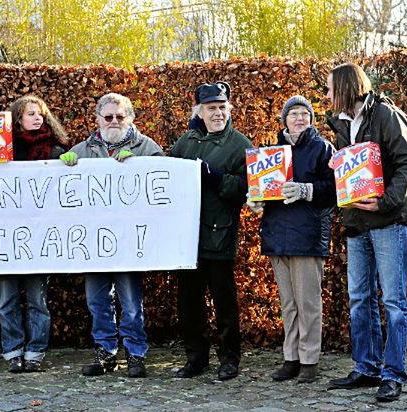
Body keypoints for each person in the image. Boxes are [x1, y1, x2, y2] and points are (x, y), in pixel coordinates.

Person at [325, 63, 407, 402]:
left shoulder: (387, 116)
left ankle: (392, 374)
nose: (326, 95)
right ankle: (366, 367)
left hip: (387, 222)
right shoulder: (341, 124)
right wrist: (338, 165)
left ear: (347, 88)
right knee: (359, 299)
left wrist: (383, 202)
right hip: (356, 224)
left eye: (330, 88)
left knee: (393, 301)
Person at [59, 92, 163, 378]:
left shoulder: (147, 147)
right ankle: (105, 353)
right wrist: (63, 166)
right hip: (93, 242)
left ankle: (136, 353)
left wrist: (142, 166)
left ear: (129, 118)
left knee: (131, 302)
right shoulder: (82, 150)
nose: (114, 121)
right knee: (97, 301)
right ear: (98, 120)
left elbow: (162, 186)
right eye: (109, 117)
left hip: (129, 241)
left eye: (120, 116)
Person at [247, 96, 336, 383]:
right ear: (284, 119)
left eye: (304, 114)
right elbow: (263, 188)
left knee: (307, 302)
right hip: (278, 235)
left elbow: (334, 189)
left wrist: (306, 189)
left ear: (311, 119)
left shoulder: (322, 148)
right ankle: (291, 357)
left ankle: (310, 360)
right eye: (293, 113)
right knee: (288, 303)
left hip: (308, 235)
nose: (299, 118)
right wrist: (257, 200)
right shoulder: (271, 152)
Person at [169, 82, 252, 381]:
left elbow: (246, 188)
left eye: (221, 107)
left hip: (219, 233)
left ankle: (229, 359)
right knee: (189, 303)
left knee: (224, 302)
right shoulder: (185, 142)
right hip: (187, 238)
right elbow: (166, 178)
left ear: (228, 110)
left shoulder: (240, 144)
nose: (217, 113)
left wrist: (215, 178)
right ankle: (196, 358)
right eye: (211, 108)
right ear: (199, 112)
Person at [0, 95, 70, 373]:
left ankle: (36, 351)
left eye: (40, 114)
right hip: (6, 237)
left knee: (38, 300)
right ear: (18, 119)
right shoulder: (1, 151)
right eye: (31, 114)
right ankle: (13, 351)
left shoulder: (55, 150)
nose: (37, 118)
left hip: (39, 237)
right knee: (8, 299)